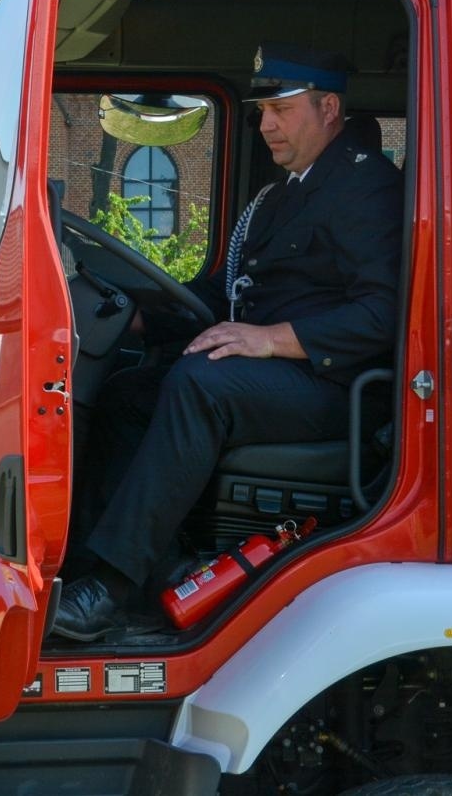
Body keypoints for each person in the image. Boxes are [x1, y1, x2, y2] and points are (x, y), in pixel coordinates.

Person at [53, 43, 405, 641]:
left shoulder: (367, 188)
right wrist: (142, 320)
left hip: (337, 385)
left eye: (281, 109)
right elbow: (227, 292)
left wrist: (271, 339)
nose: (265, 123)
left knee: (200, 385)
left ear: (329, 108)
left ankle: (109, 589)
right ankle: (111, 568)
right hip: (286, 377)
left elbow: (386, 312)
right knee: (128, 392)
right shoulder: (285, 193)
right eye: (261, 109)